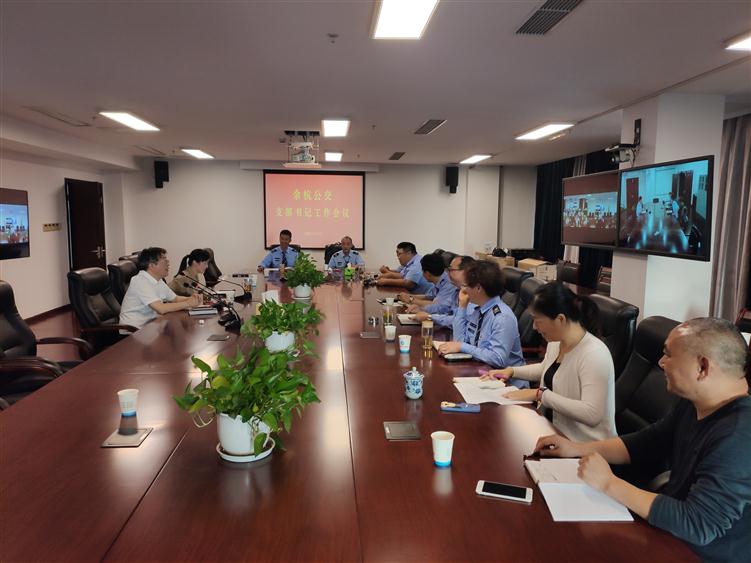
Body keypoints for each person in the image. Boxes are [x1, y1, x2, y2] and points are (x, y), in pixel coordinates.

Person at [534, 318, 750, 563]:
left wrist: (608, 483)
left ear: (702, 367)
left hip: (697, 553)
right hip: (668, 533)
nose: (661, 362)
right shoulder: (696, 404)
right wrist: (576, 448)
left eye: (669, 354)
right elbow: (647, 442)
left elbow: (698, 524)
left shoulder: (739, 436)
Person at [483, 282, 617, 442]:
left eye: (537, 320)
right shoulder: (556, 342)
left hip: (584, 446)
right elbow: (546, 368)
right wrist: (511, 371)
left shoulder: (594, 354)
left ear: (560, 319)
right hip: (552, 433)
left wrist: (540, 395)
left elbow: (592, 414)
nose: (534, 327)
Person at [437, 260, 526, 383]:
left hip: (507, 384)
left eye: (466, 285)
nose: (463, 290)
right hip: (482, 374)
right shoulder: (477, 309)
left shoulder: (502, 317)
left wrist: (462, 347)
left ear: (478, 288)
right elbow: (459, 341)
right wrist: (462, 307)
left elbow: (498, 359)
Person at [120, 247, 200, 329]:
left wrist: (193, 299)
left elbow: (175, 299)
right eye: (164, 260)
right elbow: (161, 308)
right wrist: (188, 303)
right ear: (151, 265)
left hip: (150, 325)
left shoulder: (158, 280)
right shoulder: (140, 281)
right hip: (133, 330)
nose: (168, 263)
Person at [408, 255, 474, 328]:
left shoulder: (473, 293)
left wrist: (430, 317)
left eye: (451, 270)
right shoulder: (457, 290)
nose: (448, 273)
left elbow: (458, 320)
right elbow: (443, 306)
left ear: (466, 271)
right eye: (448, 270)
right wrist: (422, 309)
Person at [399, 253, 458, 319]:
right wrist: (409, 296)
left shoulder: (449, 283)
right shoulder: (440, 278)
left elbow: (438, 305)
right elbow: (429, 296)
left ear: (427, 273)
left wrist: (411, 300)